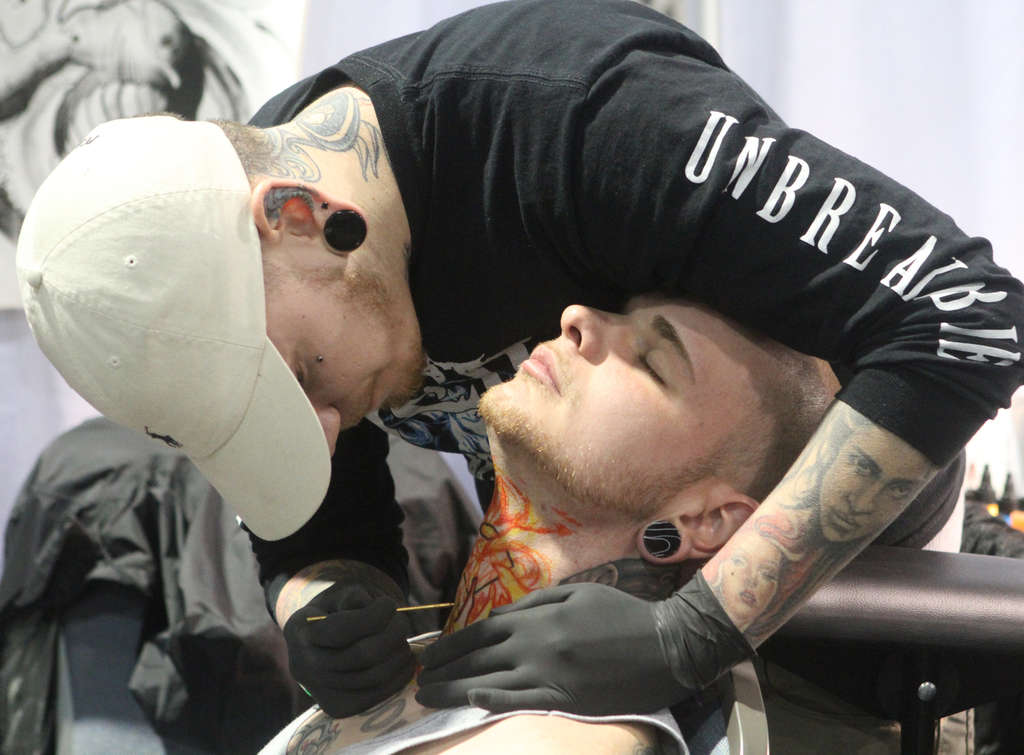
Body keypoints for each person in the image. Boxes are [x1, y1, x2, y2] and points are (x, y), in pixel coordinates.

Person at [15, 0, 1024, 722]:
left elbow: (969, 316)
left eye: (305, 378)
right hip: (592, 614)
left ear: (303, 216)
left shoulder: (591, 119)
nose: (323, 426)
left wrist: (699, 629)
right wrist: (319, 595)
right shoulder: (268, 250)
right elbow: (322, 508)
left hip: (861, 610)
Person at [260, 295, 838, 754]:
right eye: (614, 311)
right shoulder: (438, 671)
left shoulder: (565, 740)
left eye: (651, 362)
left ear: (704, 520)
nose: (577, 317)